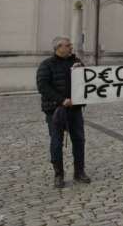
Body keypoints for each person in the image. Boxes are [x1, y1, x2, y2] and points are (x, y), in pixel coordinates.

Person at [36, 35, 91, 188]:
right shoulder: (47, 65)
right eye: (67, 45)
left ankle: (79, 171)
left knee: (79, 140)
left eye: (71, 46)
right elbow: (43, 86)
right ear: (58, 48)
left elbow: (88, 81)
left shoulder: (77, 62)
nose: (70, 48)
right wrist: (61, 100)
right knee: (56, 142)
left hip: (75, 109)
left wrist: (80, 73)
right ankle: (58, 174)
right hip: (55, 110)